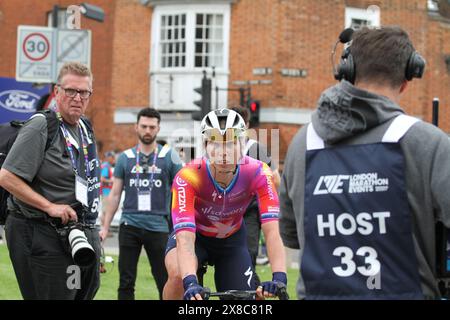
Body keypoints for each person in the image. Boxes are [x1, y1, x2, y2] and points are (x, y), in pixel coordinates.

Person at [279, 26, 450, 299]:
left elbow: (292, 235)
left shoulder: (303, 143)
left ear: (347, 71)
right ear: (407, 78)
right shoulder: (427, 142)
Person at [0, 62, 101, 300]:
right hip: (39, 230)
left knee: (80, 292)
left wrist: (93, 232)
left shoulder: (85, 127)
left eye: (84, 92)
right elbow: (6, 177)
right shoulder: (41, 126)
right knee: (59, 294)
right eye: (70, 91)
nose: (77, 98)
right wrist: (50, 206)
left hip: (76, 231)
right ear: (57, 92)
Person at [163, 108, 287, 300]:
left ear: (243, 143)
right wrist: (191, 282)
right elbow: (185, 238)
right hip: (195, 235)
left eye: (230, 144)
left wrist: (279, 278)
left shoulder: (259, 172)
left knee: (241, 300)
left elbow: (272, 231)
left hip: (232, 240)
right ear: (205, 144)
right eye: (216, 144)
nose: (223, 152)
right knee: (178, 276)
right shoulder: (188, 176)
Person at [99, 108, 182, 300]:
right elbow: (115, 194)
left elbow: (183, 191)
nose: (147, 130)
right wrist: (104, 227)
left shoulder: (170, 157)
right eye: (144, 126)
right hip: (130, 226)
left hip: (159, 226)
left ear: (158, 128)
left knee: (164, 280)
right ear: (136, 127)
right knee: (126, 282)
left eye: (152, 127)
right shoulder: (125, 158)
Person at [230, 106, 281, 282]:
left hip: (248, 211)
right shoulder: (219, 147)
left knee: (249, 253)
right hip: (223, 210)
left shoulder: (256, 148)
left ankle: (248, 289)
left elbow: (275, 178)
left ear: (247, 125)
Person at [100, 150, 116, 224]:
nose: (114, 160)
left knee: (106, 210)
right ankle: (104, 229)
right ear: (109, 158)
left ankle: (104, 228)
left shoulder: (106, 165)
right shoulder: (106, 166)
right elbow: (102, 179)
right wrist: (112, 181)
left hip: (106, 191)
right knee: (106, 211)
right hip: (106, 191)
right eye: (113, 158)